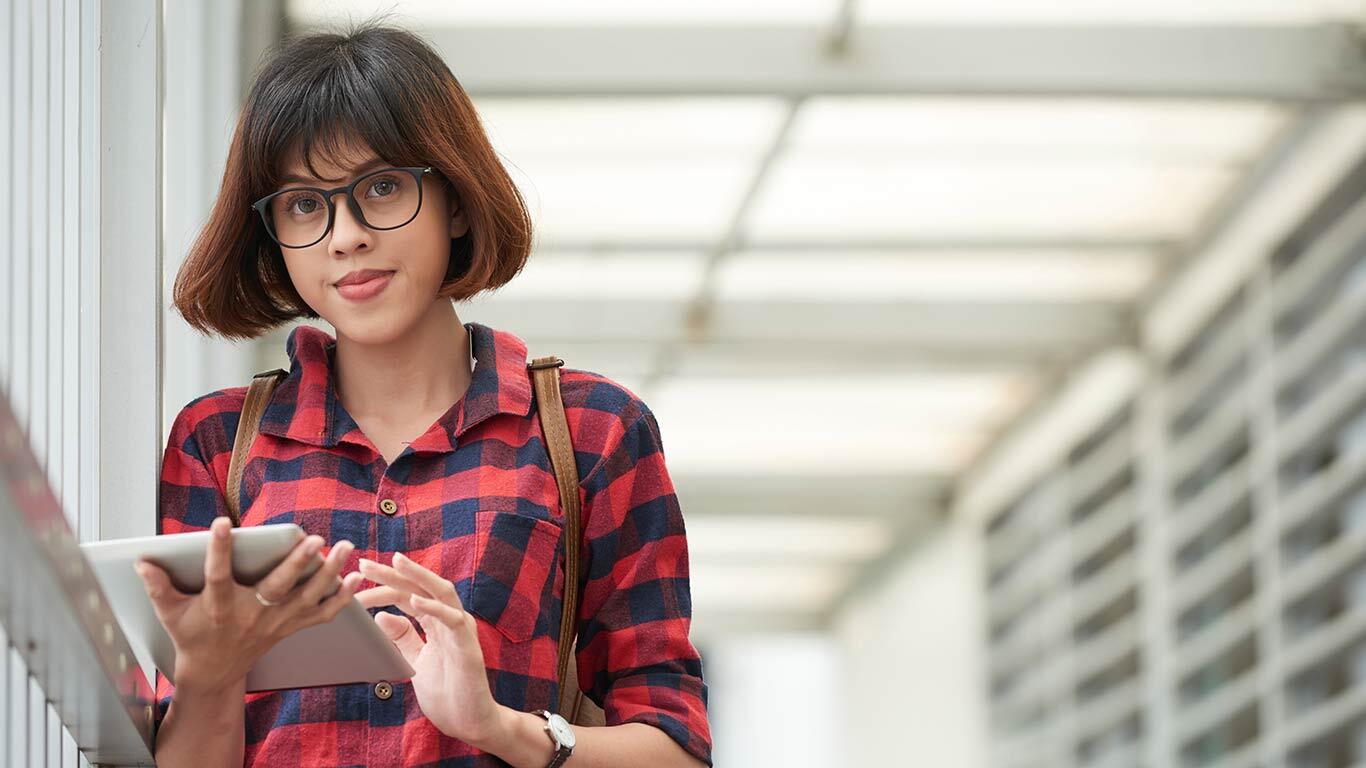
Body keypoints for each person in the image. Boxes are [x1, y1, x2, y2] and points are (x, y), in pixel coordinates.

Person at [135, 22, 712, 768]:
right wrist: (209, 680)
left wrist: (501, 727)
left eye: (381, 188)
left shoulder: (593, 432)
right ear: (272, 232)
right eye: (305, 205)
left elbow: (676, 746)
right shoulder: (217, 444)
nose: (345, 237)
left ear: (459, 203)